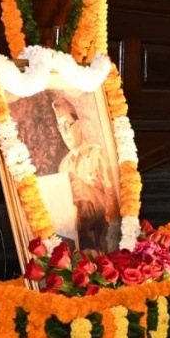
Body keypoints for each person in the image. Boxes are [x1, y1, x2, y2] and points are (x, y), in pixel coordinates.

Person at [52, 96, 120, 251]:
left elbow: (113, 200)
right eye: (60, 127)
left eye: (67, 125)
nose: (65, 132)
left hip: (104, 235)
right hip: (79, 241)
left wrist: (86, 191)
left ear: (78, 125)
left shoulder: (98, 154)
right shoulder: (64, 165)